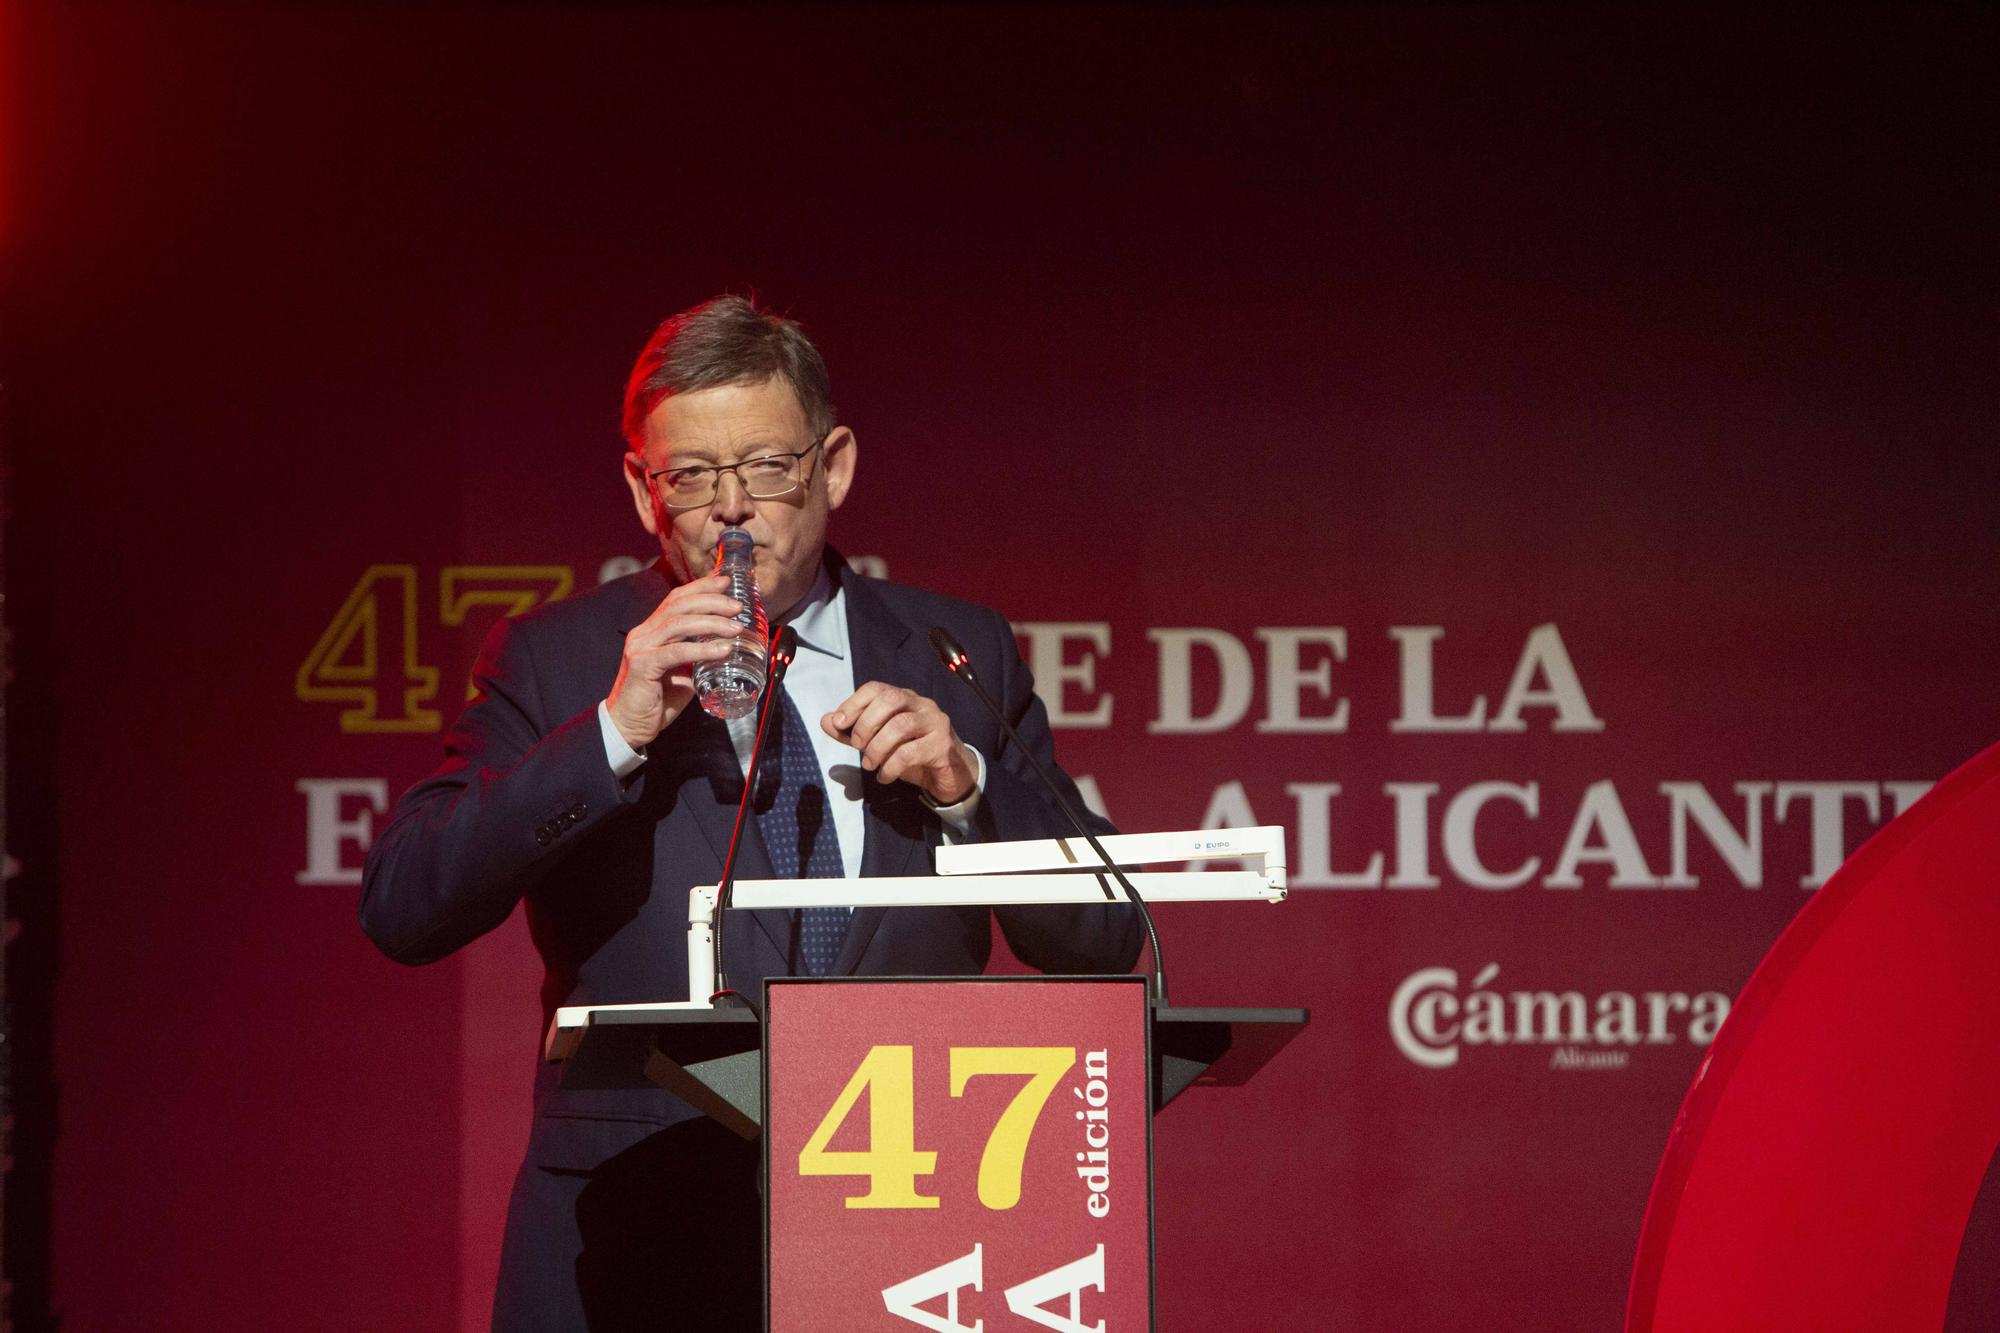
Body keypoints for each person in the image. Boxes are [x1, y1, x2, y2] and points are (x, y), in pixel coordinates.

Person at [360, 295, 1141, 1331]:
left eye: (767, 467)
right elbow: (406, 904)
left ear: (835, 467)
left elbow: (1104, 932)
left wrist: (967, 793)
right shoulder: (557, 660)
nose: (732, 510)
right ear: (643, 492)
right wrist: (611, 732)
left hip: (915, 1231)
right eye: (690, 477)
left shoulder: (956, 650)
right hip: (634, 1236)